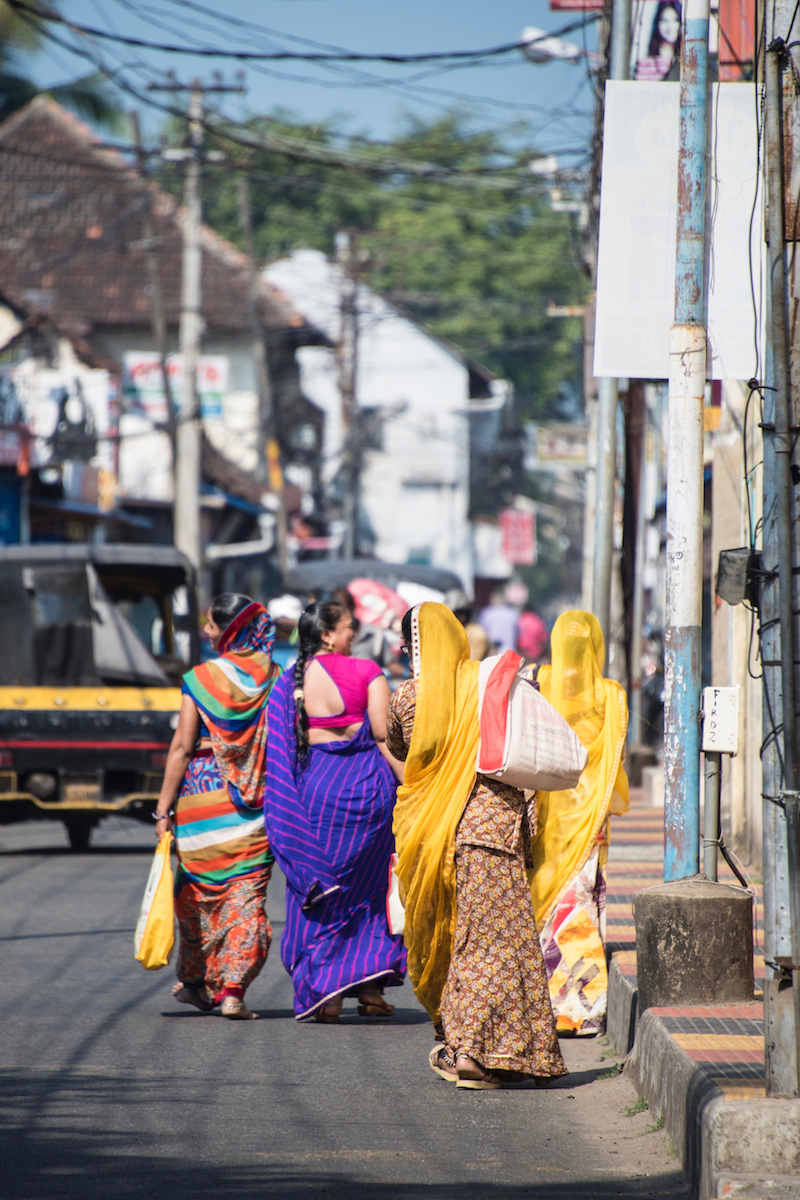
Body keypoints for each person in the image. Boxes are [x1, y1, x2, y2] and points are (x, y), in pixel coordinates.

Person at [387, 602, 567, 1090]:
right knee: (495, 943)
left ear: (411, 647)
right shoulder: (490, 685)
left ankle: (486, 1047)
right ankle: (474, 1051)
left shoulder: (406, 697)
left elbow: (401, 750)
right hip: (490, 833)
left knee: (459, 939)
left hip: (431, 837)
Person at [264, 600, 407, 1022]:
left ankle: (327, 994)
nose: (353, 635)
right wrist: (414, 784)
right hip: (368, 794)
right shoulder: (367, 672)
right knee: (370, 892)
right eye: (347, 628)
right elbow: (383, 736)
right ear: (327, 634)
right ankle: (369, 990)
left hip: (316, 796)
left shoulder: (288, 683)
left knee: (324, 892)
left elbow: (281, 751)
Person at [154, 594, 282, 1020]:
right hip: (256, 802)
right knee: (245, 895)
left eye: (211, 625)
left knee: (198, 895)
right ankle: (231, 992)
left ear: (228, 631)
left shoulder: (201, 678)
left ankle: (194, 981)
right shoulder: (276, 677)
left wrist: (162, 808)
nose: (207, 632)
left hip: (200, 797)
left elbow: (180, 747)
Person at [529, 611, 629, 1036]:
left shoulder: (536, 684)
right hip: (589, 818)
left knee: (548, 904)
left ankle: (546, 1006)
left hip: (547, 819)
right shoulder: (611, 694)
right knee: (581, 904)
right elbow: (616, 763)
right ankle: (583, 1009)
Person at [635, 1, 681, 81]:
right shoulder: (645, 65)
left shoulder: (687, 63)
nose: (670, 27)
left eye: (675, 20)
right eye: (665, 21)